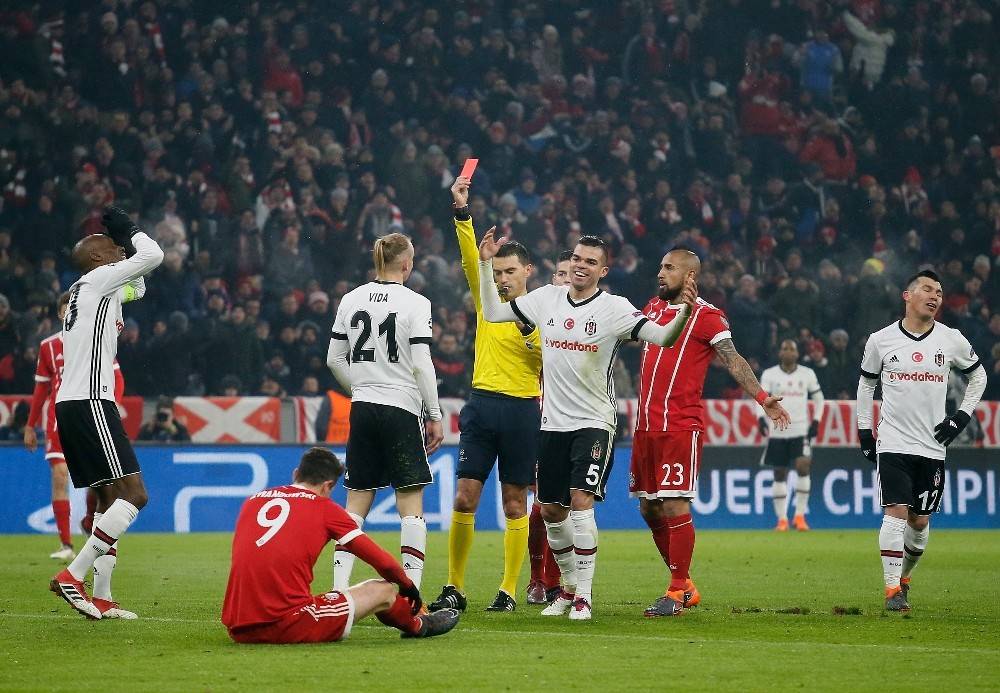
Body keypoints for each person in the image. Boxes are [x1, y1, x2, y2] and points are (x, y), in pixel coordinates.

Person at [477, 232, 696, 621]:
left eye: (590, 262)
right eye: (577, 258)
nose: (580, 265)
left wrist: (682, 310)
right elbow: (493, 313)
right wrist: (483, 264)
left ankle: (585, 597)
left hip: (594, 422)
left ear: (603, 270)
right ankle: (567, 588)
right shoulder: (546, 298)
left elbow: (662, 337)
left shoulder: (614, 308)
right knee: (549, 510)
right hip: (553, 423)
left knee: (580, 503)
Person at [630, 249, 791, 617]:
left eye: (669, 267)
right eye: (660, 266)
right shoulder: (653, 307)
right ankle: (685, 585)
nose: (660, 272)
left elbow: (732, 358)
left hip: (680, 426)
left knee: (674, 503)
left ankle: (676, 591)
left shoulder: (708, 316)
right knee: (649, 507)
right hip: (645, 427)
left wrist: (762, 397)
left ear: (690, 276)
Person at [429, 177, 543, 614]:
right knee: (464, 497)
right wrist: (463, 215)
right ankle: (455, 585)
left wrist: (530, 331)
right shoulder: (487, 301)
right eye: (497, 273)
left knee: (515, 502)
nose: (502, 279)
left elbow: (546, 361)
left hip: (520, 409)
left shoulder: (544, 310)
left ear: (527, 271)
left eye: (509, 271)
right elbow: (467, 260)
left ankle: (509, 589)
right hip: (481, 407)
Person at [50, 206, 163, 620]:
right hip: (92, 401)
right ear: (96, 258)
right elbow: (153, 257)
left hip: (74, 402)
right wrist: (132, 231)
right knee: (135, 495)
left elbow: (142, 286)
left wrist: (126, 252)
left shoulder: (93, 288)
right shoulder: (98, 279)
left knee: (107, 499)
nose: (118, 250)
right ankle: (72, 576)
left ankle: (102, 596)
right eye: (109, 247)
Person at [222, 447, 460, 643]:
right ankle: (418, 625)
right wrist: (407, 586)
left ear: (296, 473)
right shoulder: (324, 508)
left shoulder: (253, 500)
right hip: (286, 624)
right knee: (383, 590)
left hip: (238, 627)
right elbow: (381, 561)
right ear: (328, 486)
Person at [856, 270, 986, 612]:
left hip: (931, 446)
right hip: (893, 441)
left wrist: (961, 417)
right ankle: (890, 592)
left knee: (919, 522)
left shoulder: (951, 339)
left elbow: (979, 377)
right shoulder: (880, 340)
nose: (935, 296)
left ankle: (905, 579)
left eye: (940, 293)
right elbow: (866, 385)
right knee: (895, 512)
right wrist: (864, 430)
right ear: (907, 295)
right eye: (928, 289)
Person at [326, 232, 444, 596]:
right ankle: (412, 594)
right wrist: (434, 413)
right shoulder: (416, 303)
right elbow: (422, 364)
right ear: (407, 264)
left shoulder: (351, 298)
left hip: (362, 409)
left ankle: (338, 591)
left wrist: (361, 389)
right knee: (409, 502)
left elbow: (333, 359)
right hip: (401, 407)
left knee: (356, 502)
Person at [25, 291, 126, 560]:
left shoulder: (96, 339)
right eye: (65, 307)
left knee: (99, 481)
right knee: (59, 475)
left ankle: (88, 520)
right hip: (58, 420)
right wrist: (29, 425)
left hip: (91, 417)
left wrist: (110, 408)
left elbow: (118, 378)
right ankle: (66, 545)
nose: (69, 310)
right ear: (60, 313)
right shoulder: (48, 346)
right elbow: (41, 388)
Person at [525, 249, 574, 604]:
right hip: (542, 419)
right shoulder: (539, 314)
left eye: (570, 273)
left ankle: (558, 581)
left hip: (578, 421)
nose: (566, 278)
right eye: (560, 273)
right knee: (543, 504)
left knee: (568, 505)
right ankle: (536, 579)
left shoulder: (592, 318)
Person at [759, 339, 824, 531]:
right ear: (780, 353)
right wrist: (759, 419)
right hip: (778, 429)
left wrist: (817, 421)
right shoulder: (770, 374)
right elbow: (761, 398)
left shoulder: (807, 373)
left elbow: (819, 399)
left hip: (801, 428)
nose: (788, 352)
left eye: (792, 349)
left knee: (803, 466)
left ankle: (800, 517)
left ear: (797, 353)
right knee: (779, 472)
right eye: (785, 348)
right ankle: (781, 520)